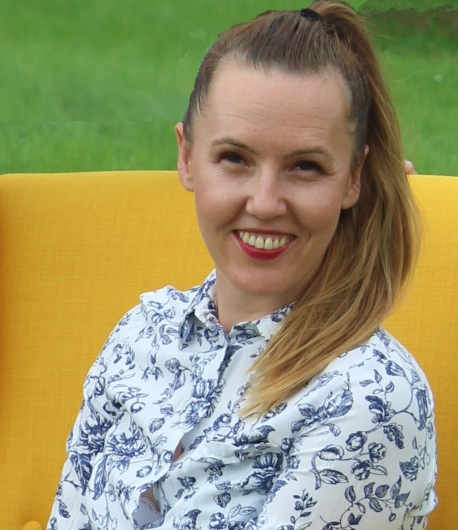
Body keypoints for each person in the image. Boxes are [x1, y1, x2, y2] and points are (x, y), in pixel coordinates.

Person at [47, 2, 436, 529]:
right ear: (187, 157)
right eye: (235, 158)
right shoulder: (143, 333)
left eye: (305, 166)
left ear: (353, 178)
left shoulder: (367, 397)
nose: (265, 202)